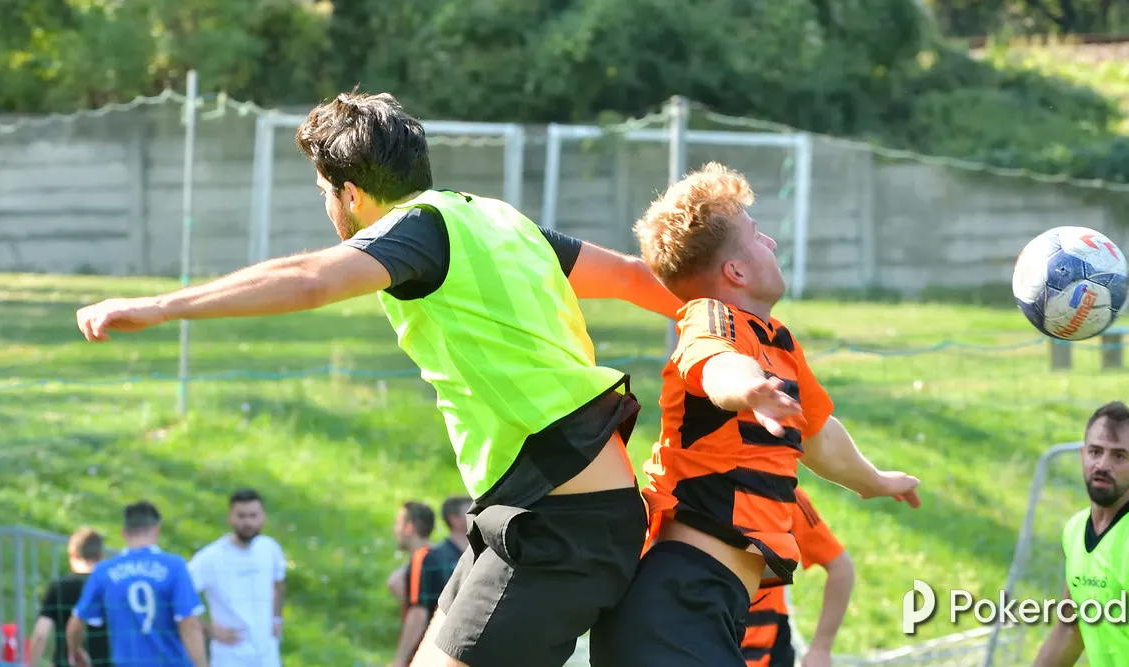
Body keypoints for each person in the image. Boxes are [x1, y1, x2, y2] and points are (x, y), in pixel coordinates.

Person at [76, 91, 683, 667]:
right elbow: (633, 276)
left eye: (325, 192)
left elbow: (310, 279)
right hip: (542, 508)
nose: (327, 208)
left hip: (559, 521)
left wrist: (161, 307)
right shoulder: (499, 220)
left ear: (352, 193)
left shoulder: (418, 228)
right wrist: (728, 325)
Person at [591, 162, 920, 667]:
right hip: (676, 600)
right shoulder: (710, 317)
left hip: (707, 605)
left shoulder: (778, 342)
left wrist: (874, 481)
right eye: (755, 233)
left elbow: (820, 438)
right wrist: (748, 389)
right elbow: (716, 364)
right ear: (736, 272)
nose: (770, 240)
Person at [1031, 401, 1129, 667]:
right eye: (1095, 452)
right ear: (1083, 455)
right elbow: (1071, 629)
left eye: (1119, 456)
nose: (1103, 464)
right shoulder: (1075, 529)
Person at [68, 502, 207, 667]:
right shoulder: (174, 567)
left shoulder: (105, 571)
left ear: (124, 533)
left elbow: (76, 623)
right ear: (156, 529)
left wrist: (75, 651)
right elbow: (189, 623)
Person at [741, 490, 854, 667]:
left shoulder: (785, 493)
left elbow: (841, 568)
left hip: (767, 654)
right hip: (703, 645)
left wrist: (821, 649)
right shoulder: (695, 490)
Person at [188, 490, 286, 667]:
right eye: (241, 516)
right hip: (230, 657)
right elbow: (179, 597)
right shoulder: (210, 558)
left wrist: (276, 619)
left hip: (267, 656)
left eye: (253, 516)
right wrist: (208, 628)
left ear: (263, 517)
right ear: (230, 518)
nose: (247, 522)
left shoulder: (270, 549)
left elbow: (278, 584)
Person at [27, 528, 109, 667]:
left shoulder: (60, 587)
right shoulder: (109, 587)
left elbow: (40, 634)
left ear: (73, 554)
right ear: (101, 556)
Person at [389, 503, 457, 667]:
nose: (395, 530)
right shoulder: (445, 556)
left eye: (398, 524)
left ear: (409, 528)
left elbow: (418, 614)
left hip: (425, 653)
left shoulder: (420, 559)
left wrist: (400, 659)